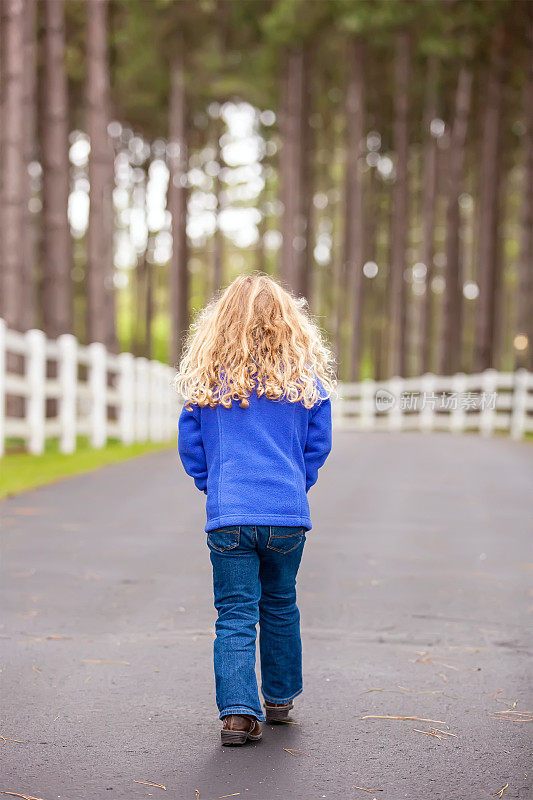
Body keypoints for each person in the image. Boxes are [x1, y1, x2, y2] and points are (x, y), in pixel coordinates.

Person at [176, 273, 334, 746]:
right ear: (290, 325)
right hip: (287, 515)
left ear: (221, 324)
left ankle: (238, 716)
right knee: (281, 602)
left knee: (235, 612)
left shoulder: (210, 382)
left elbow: (192, 444)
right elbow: (317, 446)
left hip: (229, 516)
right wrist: (295, 486)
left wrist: (213, 486)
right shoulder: (304, 383)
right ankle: (280, 700)